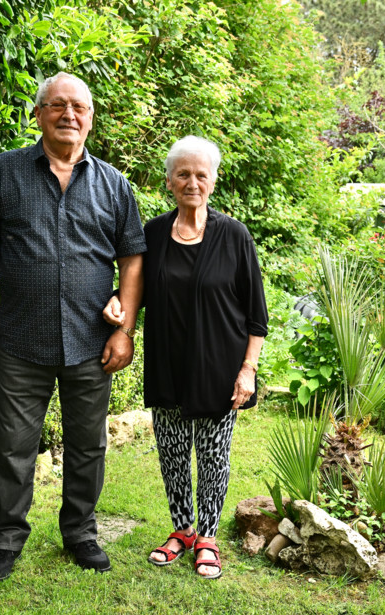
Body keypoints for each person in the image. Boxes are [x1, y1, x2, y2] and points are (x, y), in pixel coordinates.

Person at [0, 72, 146, 582]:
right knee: (14, 444)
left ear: (90, 119)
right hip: (21, 338)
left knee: (88, 444)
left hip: (93, 343)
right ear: (39, 114)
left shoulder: (114, 184)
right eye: (58, 106)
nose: (70, 115)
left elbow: (132, 260)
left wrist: (124, 327)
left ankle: (80, 533)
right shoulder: (3, 172)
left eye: (79, 108)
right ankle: (5, 542)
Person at [103, 135, 267, 579]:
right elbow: (134, 289)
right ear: (170, 182)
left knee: (214, 456)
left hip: (219, 370)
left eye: (201, 174)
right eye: (183, 174)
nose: (192, 182)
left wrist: (247, 370)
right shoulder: (152, 234)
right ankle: (182, 531)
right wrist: (118, 304)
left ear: (213, 181)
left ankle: (208, 537)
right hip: (168, 364)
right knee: (173, 454)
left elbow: (257, 316)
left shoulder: (234, 236)